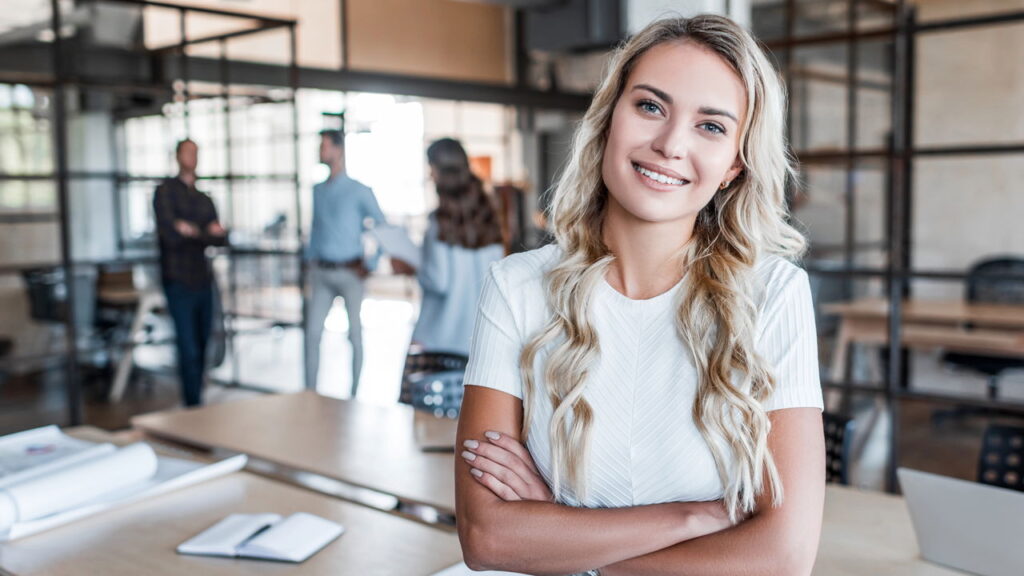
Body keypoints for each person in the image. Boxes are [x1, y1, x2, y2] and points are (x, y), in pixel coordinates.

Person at [455, 14, 824, 576]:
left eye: (711, 127)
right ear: (608, 120)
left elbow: (784, 556)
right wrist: (692, 519)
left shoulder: (773, 293)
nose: (671, 144)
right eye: (650, 106)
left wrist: (559, 533)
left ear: (733, 167)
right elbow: (488, 538)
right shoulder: (517, 287)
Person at [401, 138, 505, 356]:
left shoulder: (440, 221)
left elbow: (438, 281)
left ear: (440, 171)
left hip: (438, 340)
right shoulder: (488, 216)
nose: (430, 176)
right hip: (479, 339)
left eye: (431, 169)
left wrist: (412, 268)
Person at [305, 129, 386, 397]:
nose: (321, 151)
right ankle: (310, 393)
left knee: (355, 336)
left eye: (325, 146)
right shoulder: (317, 191)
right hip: (322, 273)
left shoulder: (359, 190)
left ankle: (354, 394)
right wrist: (309, 263)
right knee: (313, 333)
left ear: (338, 150)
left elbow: (384, 228)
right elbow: (315, 229)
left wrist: (371, 262)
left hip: (351, 273)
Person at [153, 139, 228, 407]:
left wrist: (192, 230)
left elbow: (219, 238)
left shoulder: (204, 198)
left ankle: (198, 399)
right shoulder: (165, 192)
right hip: (178, 279)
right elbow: (171, 235)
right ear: (177, 156)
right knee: (187, 346)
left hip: (202, 279)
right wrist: (203, 232)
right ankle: (192, 404)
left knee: (202, 341)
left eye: (196, 152)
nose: (192, 157)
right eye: (188, 152)